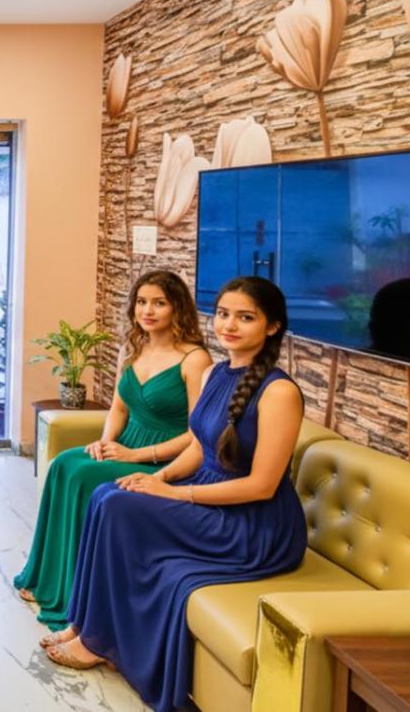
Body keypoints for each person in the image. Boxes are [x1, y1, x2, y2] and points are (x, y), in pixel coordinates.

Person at [42, 276, 307, 712]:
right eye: (223, 314)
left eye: (245, 317)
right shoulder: (216, 373)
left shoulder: (279, 392)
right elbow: (200, 447)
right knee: (108, 495)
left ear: (273, 326)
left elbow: (261, 485)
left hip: (253, 524)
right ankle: (85, 623)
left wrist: (174, 495)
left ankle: (96, 641)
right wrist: (158, 479)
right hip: (211, 495)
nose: (229, 325)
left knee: (119, 508)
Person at [14, 270, 210, 629]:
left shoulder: (195, 359)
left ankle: (75, 596)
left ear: (178, 308)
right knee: (63, 465)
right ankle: (49, 579)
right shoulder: (132, 349)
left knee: (84, 476)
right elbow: (119, 409)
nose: (147, 310)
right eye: (141, 302)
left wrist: (136, 456)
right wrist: (106, 443)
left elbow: (197, 434)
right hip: (125, 446)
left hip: (166, 460)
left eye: (159, 303)